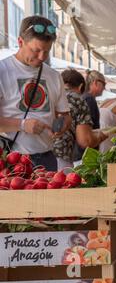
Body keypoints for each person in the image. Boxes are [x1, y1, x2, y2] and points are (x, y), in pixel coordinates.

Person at [0, 16, 71, 171]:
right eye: (36, 50)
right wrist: (22, 125)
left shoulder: (54, 76)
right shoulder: (2, 71)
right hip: (11, 157)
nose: (42, 57)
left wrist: (62, 126)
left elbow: (65, 115)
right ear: (20, 42)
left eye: (46, 51)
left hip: (47, 157)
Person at [53, 69, 108, 170]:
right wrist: (101, 137)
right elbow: (85, 141)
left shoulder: (50, 94)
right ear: (81, 86)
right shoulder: (78, 99)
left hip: (30, 154)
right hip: (61, 158)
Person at [72, 70, 106, 162]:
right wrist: (100, 136)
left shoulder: (85, 97)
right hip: (85, 155)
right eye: (104, 84)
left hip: (81, 153)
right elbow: (87, 130)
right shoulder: (89, 99)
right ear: (95, 82)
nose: (105, 88)